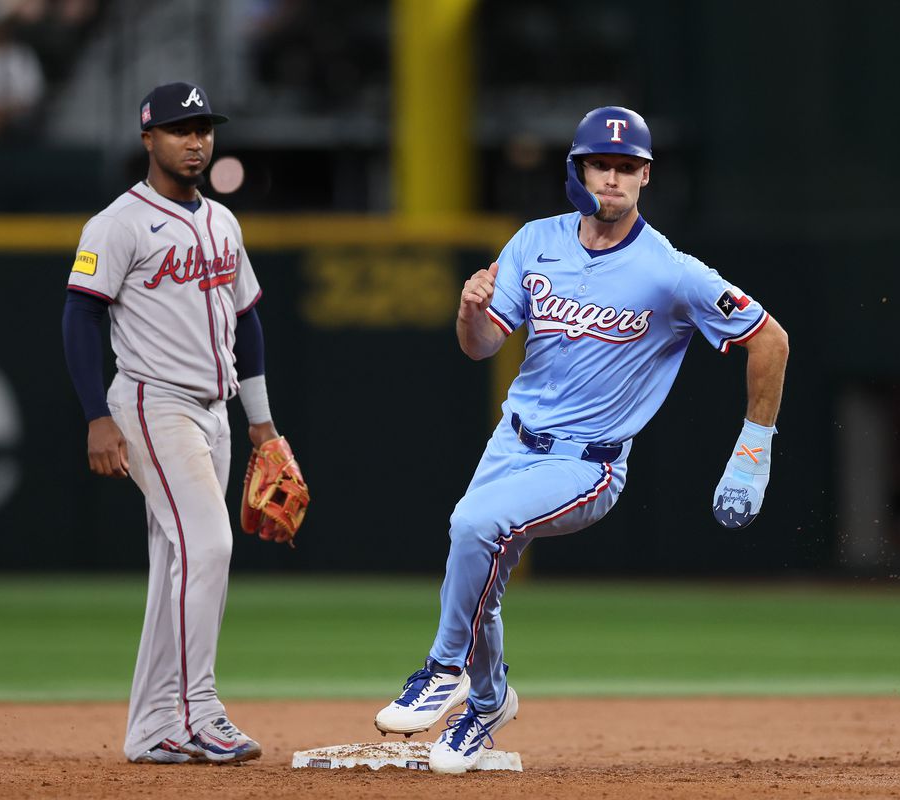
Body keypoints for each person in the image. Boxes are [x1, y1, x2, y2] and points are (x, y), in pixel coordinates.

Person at [373, 106, 789, 773]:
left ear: (645, 176)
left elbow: (770, 336)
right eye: (604, 164)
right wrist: (469, 310)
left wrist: (753, 448)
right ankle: (487, 704)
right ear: (580, 169)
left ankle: (443, 670)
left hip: (586, 464)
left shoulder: (670, 270)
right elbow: (481, 348)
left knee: (473, 526)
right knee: (477, 570)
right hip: (510, 440)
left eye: (628, 168)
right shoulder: (535, 241)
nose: (615, 178)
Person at [62, 81, 299, 765]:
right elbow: (80, 315)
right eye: (178, 129)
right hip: (151, 403)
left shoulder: (223, 222)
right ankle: (200, 711)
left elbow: (246, 321)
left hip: (216, 411)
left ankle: (150, 728)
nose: (194, 140)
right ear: (148, 139)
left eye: (203, 128)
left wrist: (263, 426)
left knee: (180, 560)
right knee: (210, 545)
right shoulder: (118, 222)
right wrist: (96, 417)